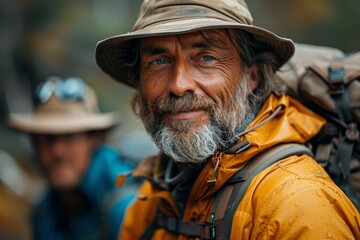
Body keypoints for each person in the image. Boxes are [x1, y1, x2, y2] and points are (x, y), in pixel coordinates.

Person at [95, 0, 360, 239]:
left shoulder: (298, 205)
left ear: (251, 79)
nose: (178, 85)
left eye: (206, 58)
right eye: (159, 61)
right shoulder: (155, 195)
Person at [8, 76, 137, 240]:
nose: (57, 151)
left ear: (94, 140)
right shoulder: (44, 212)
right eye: (47, 139)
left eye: (69, 137)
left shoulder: (126, 205)